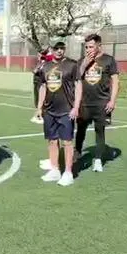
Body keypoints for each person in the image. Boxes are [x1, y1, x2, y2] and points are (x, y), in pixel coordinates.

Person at [33, 41, 81, 186]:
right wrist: (39, 107)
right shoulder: (45, 66)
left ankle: (68, 173)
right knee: (52, 141)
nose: (59, 51)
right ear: (51, 49)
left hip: (66, 110)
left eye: (62, 48)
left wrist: (76, 107)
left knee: (67, 142)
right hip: (49, 110)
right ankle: (54, 170)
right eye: (56, 48)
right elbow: (43, 86)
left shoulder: (72, 65)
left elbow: (78, 85)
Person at [75, 34, 120, 173]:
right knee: (80, 130)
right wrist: (84, 64)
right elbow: (77, 78)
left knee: (100, 131)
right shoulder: (81, 61)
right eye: (86, 47)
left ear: (99, 46)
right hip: (84, 104)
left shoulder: (108, 60)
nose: (88, 49)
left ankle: (98, 160)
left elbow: (115, 81)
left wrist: (112, 100)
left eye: (91, 47)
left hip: (101, 103)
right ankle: (77, 154)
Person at [30, 47, 49, 123]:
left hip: (41, 83)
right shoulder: (39, 62)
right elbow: (34, 71)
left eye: (40, 55)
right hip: (36, 82)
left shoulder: (45, 63)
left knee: (41, 100)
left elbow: (36, 71)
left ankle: (42, 116)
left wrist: (38, 68)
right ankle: (39, 115)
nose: (38, 56)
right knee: (36, 99)